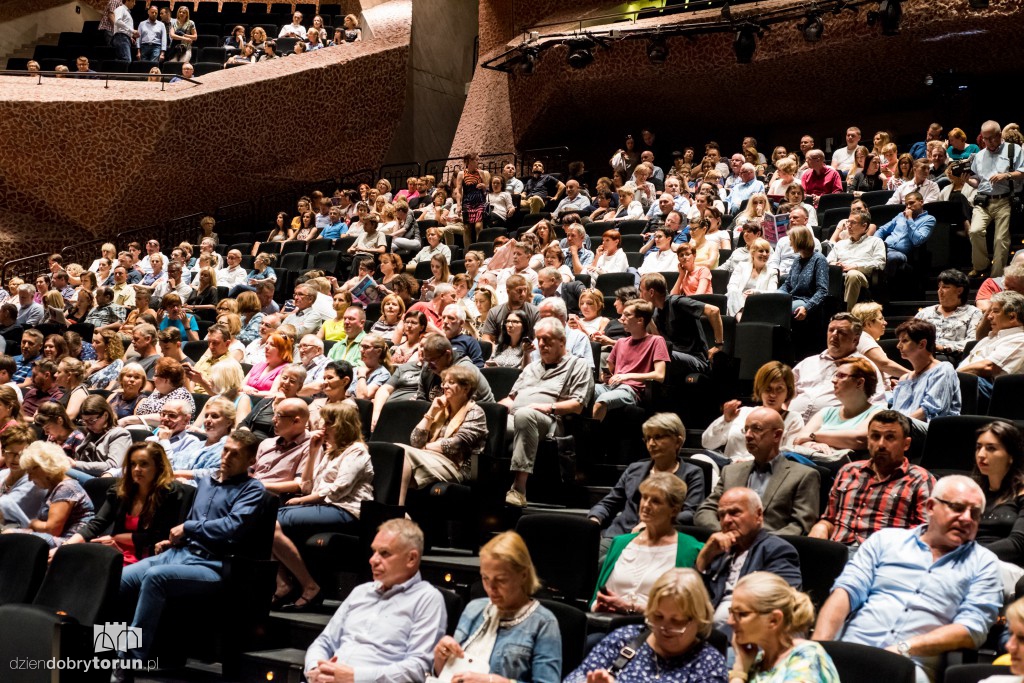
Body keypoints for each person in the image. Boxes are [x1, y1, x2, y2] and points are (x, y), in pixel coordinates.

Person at [813, 475, 1002, 683]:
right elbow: (845, 592)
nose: (966, 518)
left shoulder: (984, 563)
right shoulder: (885, 541)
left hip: (911, 665)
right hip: (852, 649)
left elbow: (972, 628)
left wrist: (906, 647)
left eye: (974, 514)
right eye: (957, 508)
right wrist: (817, 649)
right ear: (930, 507)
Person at [117, 430, 267, 664]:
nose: (226, 457)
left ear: (251, 461)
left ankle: (130, 658)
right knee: (118, 579)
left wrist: (189, 527)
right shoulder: (207, 481)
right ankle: (108, 648)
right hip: (181, 553)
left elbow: (232, 527)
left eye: (235, 454)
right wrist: (175, 539)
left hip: (214, 564)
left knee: (156, 577)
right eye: (225, 450)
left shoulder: (253, 489)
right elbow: (196, 524)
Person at [304, 519, 446, 683]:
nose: (373, 560)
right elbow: (324, 642)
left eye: (384, 553)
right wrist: (316, 669)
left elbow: (418, 669)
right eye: (374, 552)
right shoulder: (360, 592)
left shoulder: (427, 599)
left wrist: (354, 677)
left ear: (411, 559)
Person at [273, 402, 373, 611]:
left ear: (343, 425)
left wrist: (302, 501)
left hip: (347, 511)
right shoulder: (330, 452)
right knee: (262, 519)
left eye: (328, 423)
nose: (322, 428)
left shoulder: (357, 451)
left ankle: (308, 587)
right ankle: (283, 583)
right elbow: (308, 486)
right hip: (325, 507)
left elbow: (340, 489)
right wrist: (312, 452)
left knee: (270, 522)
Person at [432, 531, 561, 683]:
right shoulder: (474, 608)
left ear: (523, 575)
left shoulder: (544, 623)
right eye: (485, 578)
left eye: (500, 580)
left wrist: (494, 681)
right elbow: (449, 675)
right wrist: (440, 662)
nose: (490, 588)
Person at [565, 567, 728, 682]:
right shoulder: (624, 639)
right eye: (657, 616)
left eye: (677, 621)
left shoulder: (709, 663)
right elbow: (574, 679)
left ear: (699, 618)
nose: (664, 627)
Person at [500, 318, 593, 507]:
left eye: (547, 339)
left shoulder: (578, 365)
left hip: (550, 420)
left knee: (525, 415)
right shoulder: (531, 367)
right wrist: (492, 409)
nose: (541, 344)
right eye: (539, 339)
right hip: (514, 416)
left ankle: (519, 489)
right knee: (484, 417)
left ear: (562, 341)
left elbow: (578, 404)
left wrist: (548, 407)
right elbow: (511, 398)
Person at [808, 410, 934, 549]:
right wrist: (822, 527)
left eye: (890, 437)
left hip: (883, 558)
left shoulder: (920, 479)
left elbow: (927, 534)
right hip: (837, 552)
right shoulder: (848, 471)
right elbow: (829, 519)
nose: (881, 444)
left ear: (906, 444)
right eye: (875, 436)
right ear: (868, 440)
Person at [589, 413, 705, 555]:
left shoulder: (692, 473)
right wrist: (594, 519)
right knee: (583, 561)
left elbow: (691, 513)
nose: (651, 444)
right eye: (648, 438)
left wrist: (654, 523)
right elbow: (609, 503)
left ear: (678, 441)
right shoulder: (634, 469)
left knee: (603, 566)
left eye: (658, 437)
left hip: (658, 539)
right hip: (617, 536)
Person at [695, 407, 820, 535]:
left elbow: (800, 526)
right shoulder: (731, 472)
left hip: (771, 550)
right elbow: (705, 511)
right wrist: (726, 534)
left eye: (756, 429)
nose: (748, 435)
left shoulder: (804, 476)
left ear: (776, 435)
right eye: (746, 429)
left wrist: (757, 542)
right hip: (727, 546)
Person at [695, 488, 801, 635]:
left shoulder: (777, 550)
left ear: (758, 515)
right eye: (721, 515)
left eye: (734, 513)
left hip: (751, 637)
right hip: (706, 634)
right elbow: (690, 597)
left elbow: (783, 601)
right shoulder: (719, 550)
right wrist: (704, 557)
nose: (726, 520)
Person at [68, 442, 193, 565]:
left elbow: (158, 536)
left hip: (150, 557)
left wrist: (116, 537)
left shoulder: (171, 494)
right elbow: (97, 523)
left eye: (144, 464)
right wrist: (65, 547)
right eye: (133, 464)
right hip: (116, 550)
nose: (137, 469)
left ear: (158, 466)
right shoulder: (120, 491)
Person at [730, 572, 840, 683]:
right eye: (731, 612)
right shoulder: (755, 661)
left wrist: (738, 675)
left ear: (774, 619)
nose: (730, 621)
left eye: (742, 614)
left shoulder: (807, 657)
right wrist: (740, 669)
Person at [788, 313, 886, 423]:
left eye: (841, 332)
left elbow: (878, 406)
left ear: (856, 340)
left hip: (831, 431)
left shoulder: (865, 367)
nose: (834, 335)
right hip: (790, 427)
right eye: (831, 330)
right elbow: (784, 392)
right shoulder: (808, 362)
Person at [702, 361, 804, 464]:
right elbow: (707, 443)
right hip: (729, 469)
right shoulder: (742, 412)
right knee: (700, 458)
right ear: (760, 389)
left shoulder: (793, 419)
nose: (773, 394)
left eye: (779, 389)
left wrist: (746, 462)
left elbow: (787, 454)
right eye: (768, 388)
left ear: (788, 392)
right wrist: (725, 420)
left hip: (765, 471)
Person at [3, 441, 94, 548]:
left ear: (43, 468)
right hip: (55, 539)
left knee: (10, 535)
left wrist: (32, 523)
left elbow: (52, 530)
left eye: (30, 473)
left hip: (68, 544)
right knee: (9, 533)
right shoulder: (55, 487)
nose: (29, 478)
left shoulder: (66, 488)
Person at [591, 298, 669, 422]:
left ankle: (590, 440)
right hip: (610, 386)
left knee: (602, 400)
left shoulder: (656, 341)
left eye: (627, 315)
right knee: (580, 392)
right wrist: (603, 377)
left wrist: (626, 376)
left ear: (640, 320)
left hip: (631, 390)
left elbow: (660, 375)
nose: (621, 319)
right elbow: (606, 373)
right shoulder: (620, 342)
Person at [791, 356, 885, 458]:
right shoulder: (826, 412)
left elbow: (860, 439)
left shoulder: (877, 413)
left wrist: (814, 436)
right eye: (835, 375)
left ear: (859, 383)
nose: (834, 380)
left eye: (841, 376)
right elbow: (798, 439)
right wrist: (813, 444)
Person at [640, 272, 723, 378]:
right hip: (674, 357)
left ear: (651, 292)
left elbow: (714, 311)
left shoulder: (678, 302)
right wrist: (649, 319)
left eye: (641, 291)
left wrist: (718, 345)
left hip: (697, 359)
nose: (640, 295)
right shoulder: (657, 312)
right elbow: (660, 341)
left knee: (662, 354)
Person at [969, 120, 1024, 277]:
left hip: (1004, 200)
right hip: (983, 201)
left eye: (992, 138)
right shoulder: (979, 156)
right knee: (975, 231)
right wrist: (967, 179)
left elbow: (1023, 172)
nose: (989, 142)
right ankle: (981, 266)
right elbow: (977, 181)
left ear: (1000, 135)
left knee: (1000, 240)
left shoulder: (1014, 149)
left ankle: (996, 277)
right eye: (985, 139)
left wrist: (1006, 175)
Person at [973, 422, 1024, 588]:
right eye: (978, 447)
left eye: (991, 448)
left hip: (1008, 568)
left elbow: (1018, 543)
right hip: (970, 563)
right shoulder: (972, 491)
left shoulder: (1022, 494)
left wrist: (969, 555)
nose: (981, 454)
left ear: (1011, 456)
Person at [891, 319, 962, 429]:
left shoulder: (943, 369)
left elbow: (929, 411)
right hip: (902, 428)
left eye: (904, 341)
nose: (898, 346)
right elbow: (895, 410)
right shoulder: (904, 378)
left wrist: (896, 427)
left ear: (922, 344)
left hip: (931, 431)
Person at [958, 291, 1024, 399]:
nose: (989, 317)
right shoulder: (989, 338)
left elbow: (988, 367)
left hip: (995, 393)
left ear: (1012, 317)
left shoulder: (1020, 339)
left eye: (995, 311)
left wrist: (949, 376)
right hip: (968, 384)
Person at [914, 269, 983, 361]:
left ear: (959, 291)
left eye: (945, 287)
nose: (940, 291)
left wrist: (943, 347)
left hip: (951, 357)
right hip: (922, 353)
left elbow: (972, 342)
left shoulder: (973, 313)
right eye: (939, 287)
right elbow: (910, 335)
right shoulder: (925, 312)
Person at [69, 395, 132, 481]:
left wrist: (75, 464)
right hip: (86, 475)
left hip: (102, 480)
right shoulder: (92, 433)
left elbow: (113, 466)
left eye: (91, 420)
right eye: (85, 421)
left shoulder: (120, 434)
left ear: (105, 415)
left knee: (62, 471)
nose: (88, 425)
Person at [877, 191, 936, 279]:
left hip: (901, 253)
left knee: (892, 257)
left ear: (921, 202)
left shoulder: (929, 219)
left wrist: (909, 219)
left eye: (911, 203)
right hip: (884, 248)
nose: (908, 206)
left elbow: (917, 241)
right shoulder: (900, 215)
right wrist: (874, 242)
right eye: (906, 204)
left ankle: (882, 284)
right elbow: (882, 229)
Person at [0, 425, 47, 529]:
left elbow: (3, 508)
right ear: (3, 452)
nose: (16, 459)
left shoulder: (34, 481)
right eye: (11, 453)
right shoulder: (2, 474)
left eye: (22, 454)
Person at [778, 226, 828, 321]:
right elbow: (787, 284)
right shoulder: (797, 260)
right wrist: (776, 296)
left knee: (782, 310)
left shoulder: (819, 259)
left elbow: (822, 291)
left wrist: (807, 307)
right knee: (768, 303)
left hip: (806, 300)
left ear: (799, 240)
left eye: (791, 240)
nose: (790, 244)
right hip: (792, 297)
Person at [726, 237, 776, 317]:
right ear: (753, 253)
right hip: (737, 299)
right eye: (761, 251)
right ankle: (741, 317)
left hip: (757, 302)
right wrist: (740, 297)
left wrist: (755, 292)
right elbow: (732, 285)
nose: (765, 254)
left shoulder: (772, 271)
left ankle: (740, 319)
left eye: (767, 251)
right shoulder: (741, 266)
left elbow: (773, 292)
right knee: (733, 292)